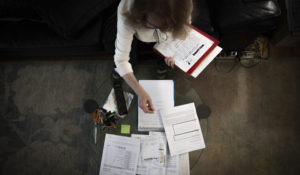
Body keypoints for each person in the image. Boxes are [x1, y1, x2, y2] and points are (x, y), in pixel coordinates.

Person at [114, 0, 193, 113]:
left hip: (168, 42)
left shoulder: (183, 4)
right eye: (155, 26)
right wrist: (139, 91)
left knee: (164, 61)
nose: (164, 32)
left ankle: (161, 70)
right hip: (139, 35)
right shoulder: (126, 10)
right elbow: (121, 59)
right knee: (130, 58)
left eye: (170, 26)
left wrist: (172, 50)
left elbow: (185, 27)